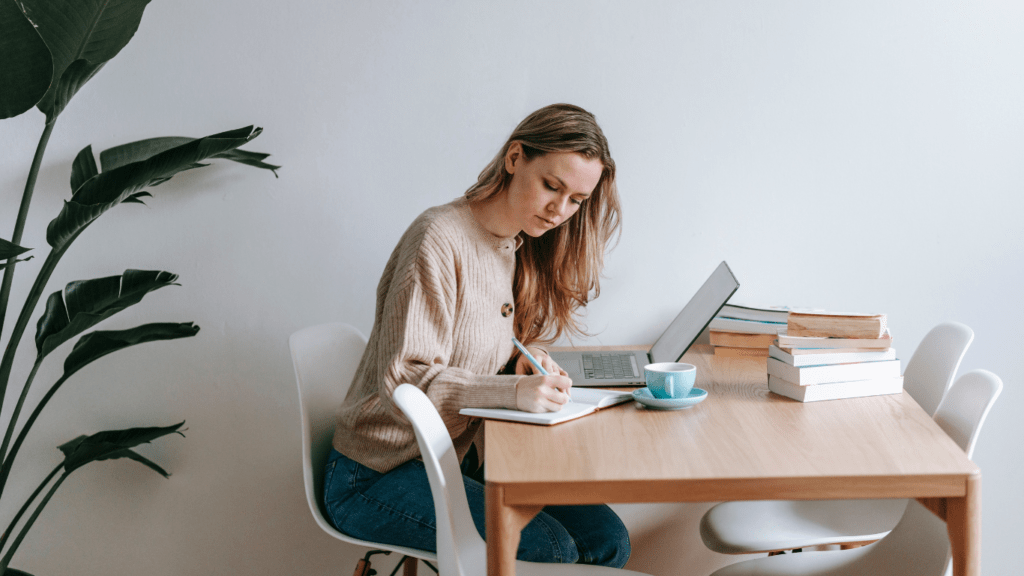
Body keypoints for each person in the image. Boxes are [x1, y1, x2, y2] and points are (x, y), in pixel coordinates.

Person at [323, 103, 628, 567]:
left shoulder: (512, 244)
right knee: (548, 547)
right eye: (552, 186)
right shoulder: (438, 239)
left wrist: (522, 361)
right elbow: (404, 380)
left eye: (577, 200)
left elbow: (475, 344)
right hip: (375, 473)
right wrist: (512, 391)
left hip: (453, 459)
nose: (560, 210)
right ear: (514, 158)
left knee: (607, 539)